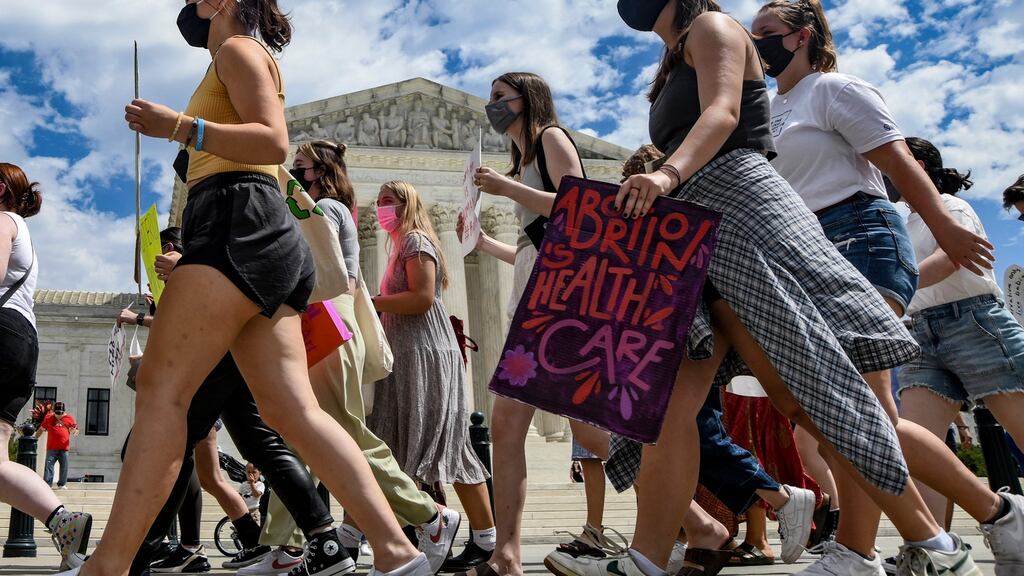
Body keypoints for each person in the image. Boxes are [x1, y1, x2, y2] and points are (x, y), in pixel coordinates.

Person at [568, 2, 973, 576]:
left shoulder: (711, 27)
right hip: (696, 224)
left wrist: (664, 175)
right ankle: (646, 560)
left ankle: (932, 544)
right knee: (667, 402)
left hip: (741, 209)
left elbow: (724, 112)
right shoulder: (670, 57)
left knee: (810, 386)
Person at [59, 1, 429, 575]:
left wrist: (180, 127)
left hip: (235, 219)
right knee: (291, 409)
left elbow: (273, 141)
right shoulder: (235, 56)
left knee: (161, 388)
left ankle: (106, 566)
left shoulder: (236, 49)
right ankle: (397, 551)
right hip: (258, 232)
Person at [751, 2, 1007, 573]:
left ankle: (857, 552)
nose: (755, 42)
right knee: (855, 413)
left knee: (859, 408)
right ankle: (997, 516)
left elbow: (896, 163)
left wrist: (943, 228)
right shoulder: (769, 108)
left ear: (802, 37)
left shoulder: (834, 90)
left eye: (766, 33)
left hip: (860, 236)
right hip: (805, 250)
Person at [243, 141, 461, 576]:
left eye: (299, 167)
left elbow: (322, 270)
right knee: (299, 432)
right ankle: (285, 545)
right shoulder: (326, 208)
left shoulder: (329, 209)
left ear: (321, 173)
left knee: (340, 429)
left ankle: (429, 516)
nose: (292, 174)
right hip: (315, 320)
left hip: (328, 318)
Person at [895, 136, 1024, 566]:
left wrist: (896, 288)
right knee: (919, 445)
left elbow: (954, 258)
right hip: (920, 333)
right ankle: (933, 546)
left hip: (974, 323)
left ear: (917, 165)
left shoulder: (951, 207)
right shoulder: (902, 220)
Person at [368, 180, 495, 571]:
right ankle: (413, 533)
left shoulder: (416, 241)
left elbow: (422, 299)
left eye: (388, 201)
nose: (380, 208)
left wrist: (369, 302)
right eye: (378, 202)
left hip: (426, 354)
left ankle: (485, 538)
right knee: (398, 445)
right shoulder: (400, 247)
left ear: (407, 204)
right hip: (408, 355)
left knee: (449, 447)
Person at [0, 162, 92, 571]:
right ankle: (63, 524)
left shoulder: (4, 221)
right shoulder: (24, 231)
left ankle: (63, 521)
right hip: (21, 339)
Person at [37, 401, 79, 489]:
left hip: (64, 448)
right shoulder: (48, 418)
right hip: (51, 447)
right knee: (49, 466)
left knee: (64, 466)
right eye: (57, 413)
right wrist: (34, 438)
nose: (59, 415)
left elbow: (76, 430)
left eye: (61, 413)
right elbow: (41, 429)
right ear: (53, 411)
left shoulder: (69, 418)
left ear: (64, 411)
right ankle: (48, 484)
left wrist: (74, 432)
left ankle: (62, 484)